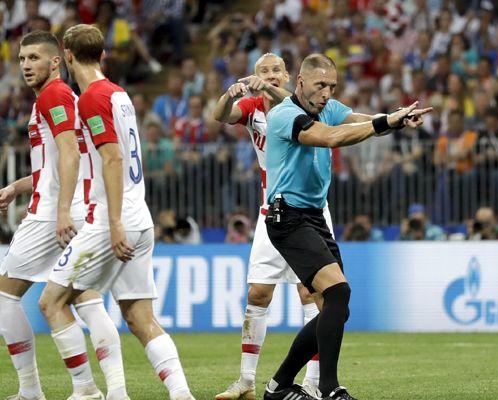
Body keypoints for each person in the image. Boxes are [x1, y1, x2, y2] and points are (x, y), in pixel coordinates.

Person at [37, 24, 196, 400]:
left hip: (113, 220)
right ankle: (181, 394)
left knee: (51, 301)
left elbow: (112, 158)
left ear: (68, 56)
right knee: (140, 318)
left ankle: (86, 391)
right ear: (103, 55)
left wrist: (112, 223)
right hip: (139, 217)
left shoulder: (91, 98)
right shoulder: (120, 94)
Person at [263, 53, 431, 400]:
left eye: (332, 86)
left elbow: (358, 119)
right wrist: (384, 124)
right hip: (287, 217)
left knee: (335, 308)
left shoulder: (329, 108)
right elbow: (331, 137)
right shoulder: (283, 115)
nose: (326, 93)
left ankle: (279, 386)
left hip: (312, 215)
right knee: (338, 293)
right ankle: (329, 389)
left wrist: (394, 118)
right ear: (301, 82)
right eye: (320, 85)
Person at [0, 30, 124, 400]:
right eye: (22, 59)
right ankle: (114, 390)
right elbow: (53, 165)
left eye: (34, 58)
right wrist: (15, 188)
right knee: (85, 300)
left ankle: (34, 389)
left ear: (57, 61)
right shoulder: (64, 97)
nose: (25, 65)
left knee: (5, 296)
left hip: (53, 216)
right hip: (77, 209)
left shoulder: (53, 94)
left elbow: (69, 154)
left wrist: (58, 212)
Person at [212, 52, 324, 400]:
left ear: (289, 76)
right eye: (264, 71)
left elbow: (293, 105)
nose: (272, 74)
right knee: (259, 292)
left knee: (312, 293)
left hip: (308, 209)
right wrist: (230, 94)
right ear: (254, 75)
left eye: (277, 70)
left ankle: (313, 381)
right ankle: (245, 382)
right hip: (271, 209)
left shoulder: (301, 106)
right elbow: (219, 116)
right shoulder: (251, 109)